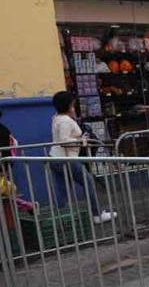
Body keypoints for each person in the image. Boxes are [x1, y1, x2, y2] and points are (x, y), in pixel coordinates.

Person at [49, 91, 115, 223]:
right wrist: (81, 140)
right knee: (88, 182)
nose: (74, 106)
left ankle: (62, 217)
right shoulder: (65, 121)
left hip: (56, 158)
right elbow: (64, 140)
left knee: (62, 188)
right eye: (73, 104)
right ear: (68, 105)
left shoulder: (57, 118)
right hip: (67, 159)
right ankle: (96, 214)